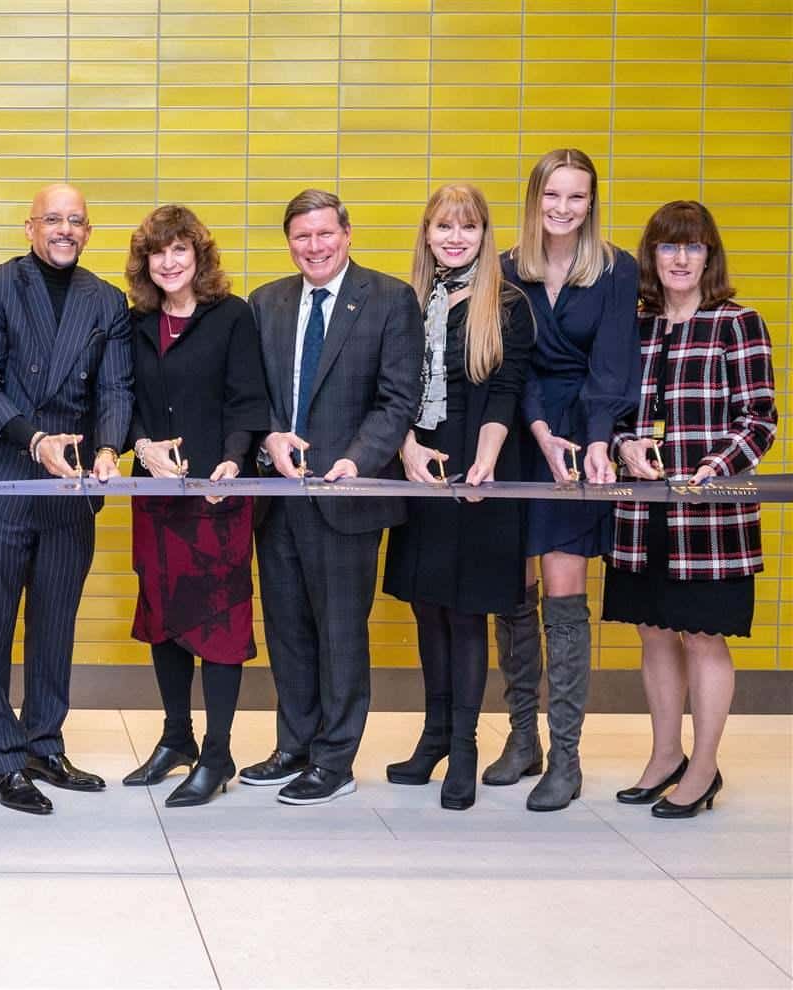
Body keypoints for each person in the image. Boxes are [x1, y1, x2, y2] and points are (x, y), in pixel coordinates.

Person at [241, 188, 424, 806]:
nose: (314, 247)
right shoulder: (265, 302)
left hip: (347, 494)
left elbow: (398, 397)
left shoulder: (390, 299)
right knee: (287, 628)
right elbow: (253, 392)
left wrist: (358, 458)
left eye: (324, 234)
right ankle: (293, 745)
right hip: (280, 494)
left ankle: (335, 759)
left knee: (341, 631)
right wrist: (269, 437)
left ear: (346, 234)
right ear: (288, 241)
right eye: (301, 237)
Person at [0, 183, 133, 815]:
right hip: (5, 481)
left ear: (89, 232)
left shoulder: (106, 300)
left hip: (72, 490)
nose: (64, 230)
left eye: (76, 221)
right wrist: (34, 440)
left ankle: (42, 741)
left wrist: (111, 449)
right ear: (30, 226)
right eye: (52, 219)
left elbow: (116, 389)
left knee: (55, 628)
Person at [606, 201, 776, 819]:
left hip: (709, 515)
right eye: (668, 247)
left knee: (703, 637)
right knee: (653, 634)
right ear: (652, 256)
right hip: (642, 507)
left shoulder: (737, 322)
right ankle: (664, 756)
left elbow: (760, 419)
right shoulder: (636, 325)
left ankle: (703, 768)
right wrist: (625, 444)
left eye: (694, 247)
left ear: (710, 255)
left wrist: (717, 466)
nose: (680, 259)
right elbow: (616, 409)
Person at [493, 149, 641, 811]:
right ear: (534, 199)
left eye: (576, 198)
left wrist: (593, 440)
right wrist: (537, 431)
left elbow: (614, 367)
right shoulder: (503, 272)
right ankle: (521, 737)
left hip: (584, 438)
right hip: (520, 438)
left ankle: (567, 756)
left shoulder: (615, 270)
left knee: (563, 591)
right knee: (511, 588)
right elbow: (507, 366)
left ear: (591, 203)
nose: (562, 209)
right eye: (552, 195)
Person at [381, 184, 534, 811]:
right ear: (426, 233)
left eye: (467, 227)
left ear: (484, 234)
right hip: (420, 466)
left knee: (467, 612)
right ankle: (435, 735)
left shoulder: (508, 302)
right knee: (427, 604)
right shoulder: (408, 302)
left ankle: (466, 746)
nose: (454, 237)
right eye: (443, 226)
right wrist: (407, 449)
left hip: (481, 466)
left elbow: (507, 391)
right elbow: (389, 386)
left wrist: (486, 463)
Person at [117, 205, 268, 808]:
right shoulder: (134, 324)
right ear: (145, 263)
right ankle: (175, 737)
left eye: (180, 250)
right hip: (156, 492)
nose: (170, 262)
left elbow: (247, 398)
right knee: (164, 618)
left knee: (220, 625)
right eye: (158, 253)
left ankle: (217, 751)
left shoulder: (232, 317)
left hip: (217, 494)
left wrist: (232, 460)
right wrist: (142, 447)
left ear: (199, 256)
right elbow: (118, 398)